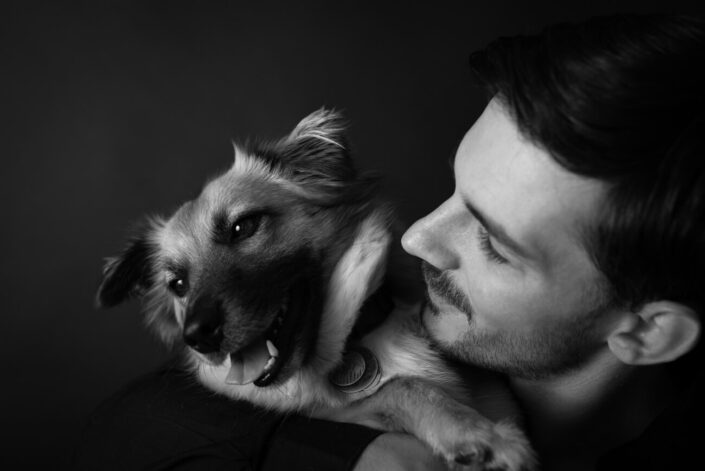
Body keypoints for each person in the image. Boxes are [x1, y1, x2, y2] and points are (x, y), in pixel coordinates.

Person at [74, 13, 705, 471]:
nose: (417, 237)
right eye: (455, 192)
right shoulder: (395, 343)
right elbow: (128, 428)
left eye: (494, 243)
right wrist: (335, 450)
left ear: (648, 333)